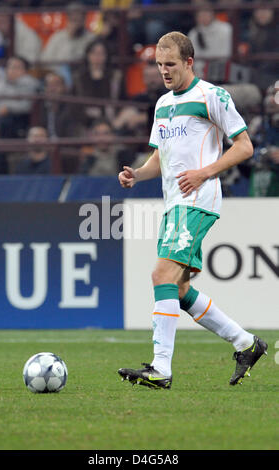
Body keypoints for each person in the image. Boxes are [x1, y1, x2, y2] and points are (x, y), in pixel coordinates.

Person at [117, 31, 268, 390]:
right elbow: (160, 158)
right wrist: (137, 174)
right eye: (158, 65)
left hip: (197, 199)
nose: (163, 72)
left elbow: (244, 147)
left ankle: (161, 369)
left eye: (170, 65)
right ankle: (246, 343)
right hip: (174, 202)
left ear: (189, 62)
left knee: (161, 274)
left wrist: (205, 172)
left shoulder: (212, 96)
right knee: (180, 288)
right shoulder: (162, 104)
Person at [0, 56, 40, 138]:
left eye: (16, 67)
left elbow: (25, 106)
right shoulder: (0, 83)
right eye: (10, 66)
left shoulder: (30, 83)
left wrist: (8, 108)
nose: (12, 70)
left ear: (25, 70)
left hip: (18, 119)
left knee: (5, 122)